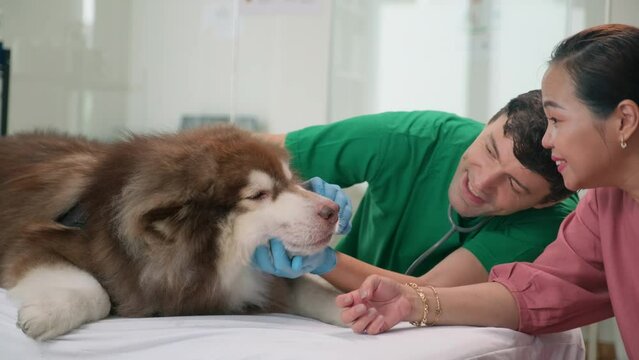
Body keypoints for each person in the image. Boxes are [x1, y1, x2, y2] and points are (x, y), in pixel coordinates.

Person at [335, 23, 639, 358]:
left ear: (624, 120)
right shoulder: (604, 204)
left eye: (556, 120)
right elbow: (535, 293)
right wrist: (411, 302)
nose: (548, 140)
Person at [253, 89, 578, 293]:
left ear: (545, 201)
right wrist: (295, 188)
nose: (481, 182)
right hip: (328, 299)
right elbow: (249, 154)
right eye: (490, 150)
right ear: (488, 123)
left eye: (515, 184)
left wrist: (322, 260)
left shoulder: (552, 222)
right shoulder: (415, 139)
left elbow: (429, 291)